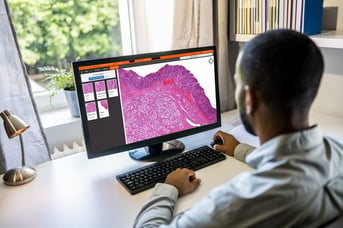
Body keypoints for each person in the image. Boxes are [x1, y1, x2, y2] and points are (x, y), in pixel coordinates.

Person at [134, 29, 343, 227]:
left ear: (249, 98)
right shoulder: (337, 152)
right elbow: (291, 162)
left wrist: (169, 188)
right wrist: (239, 150)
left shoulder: (234, 205)